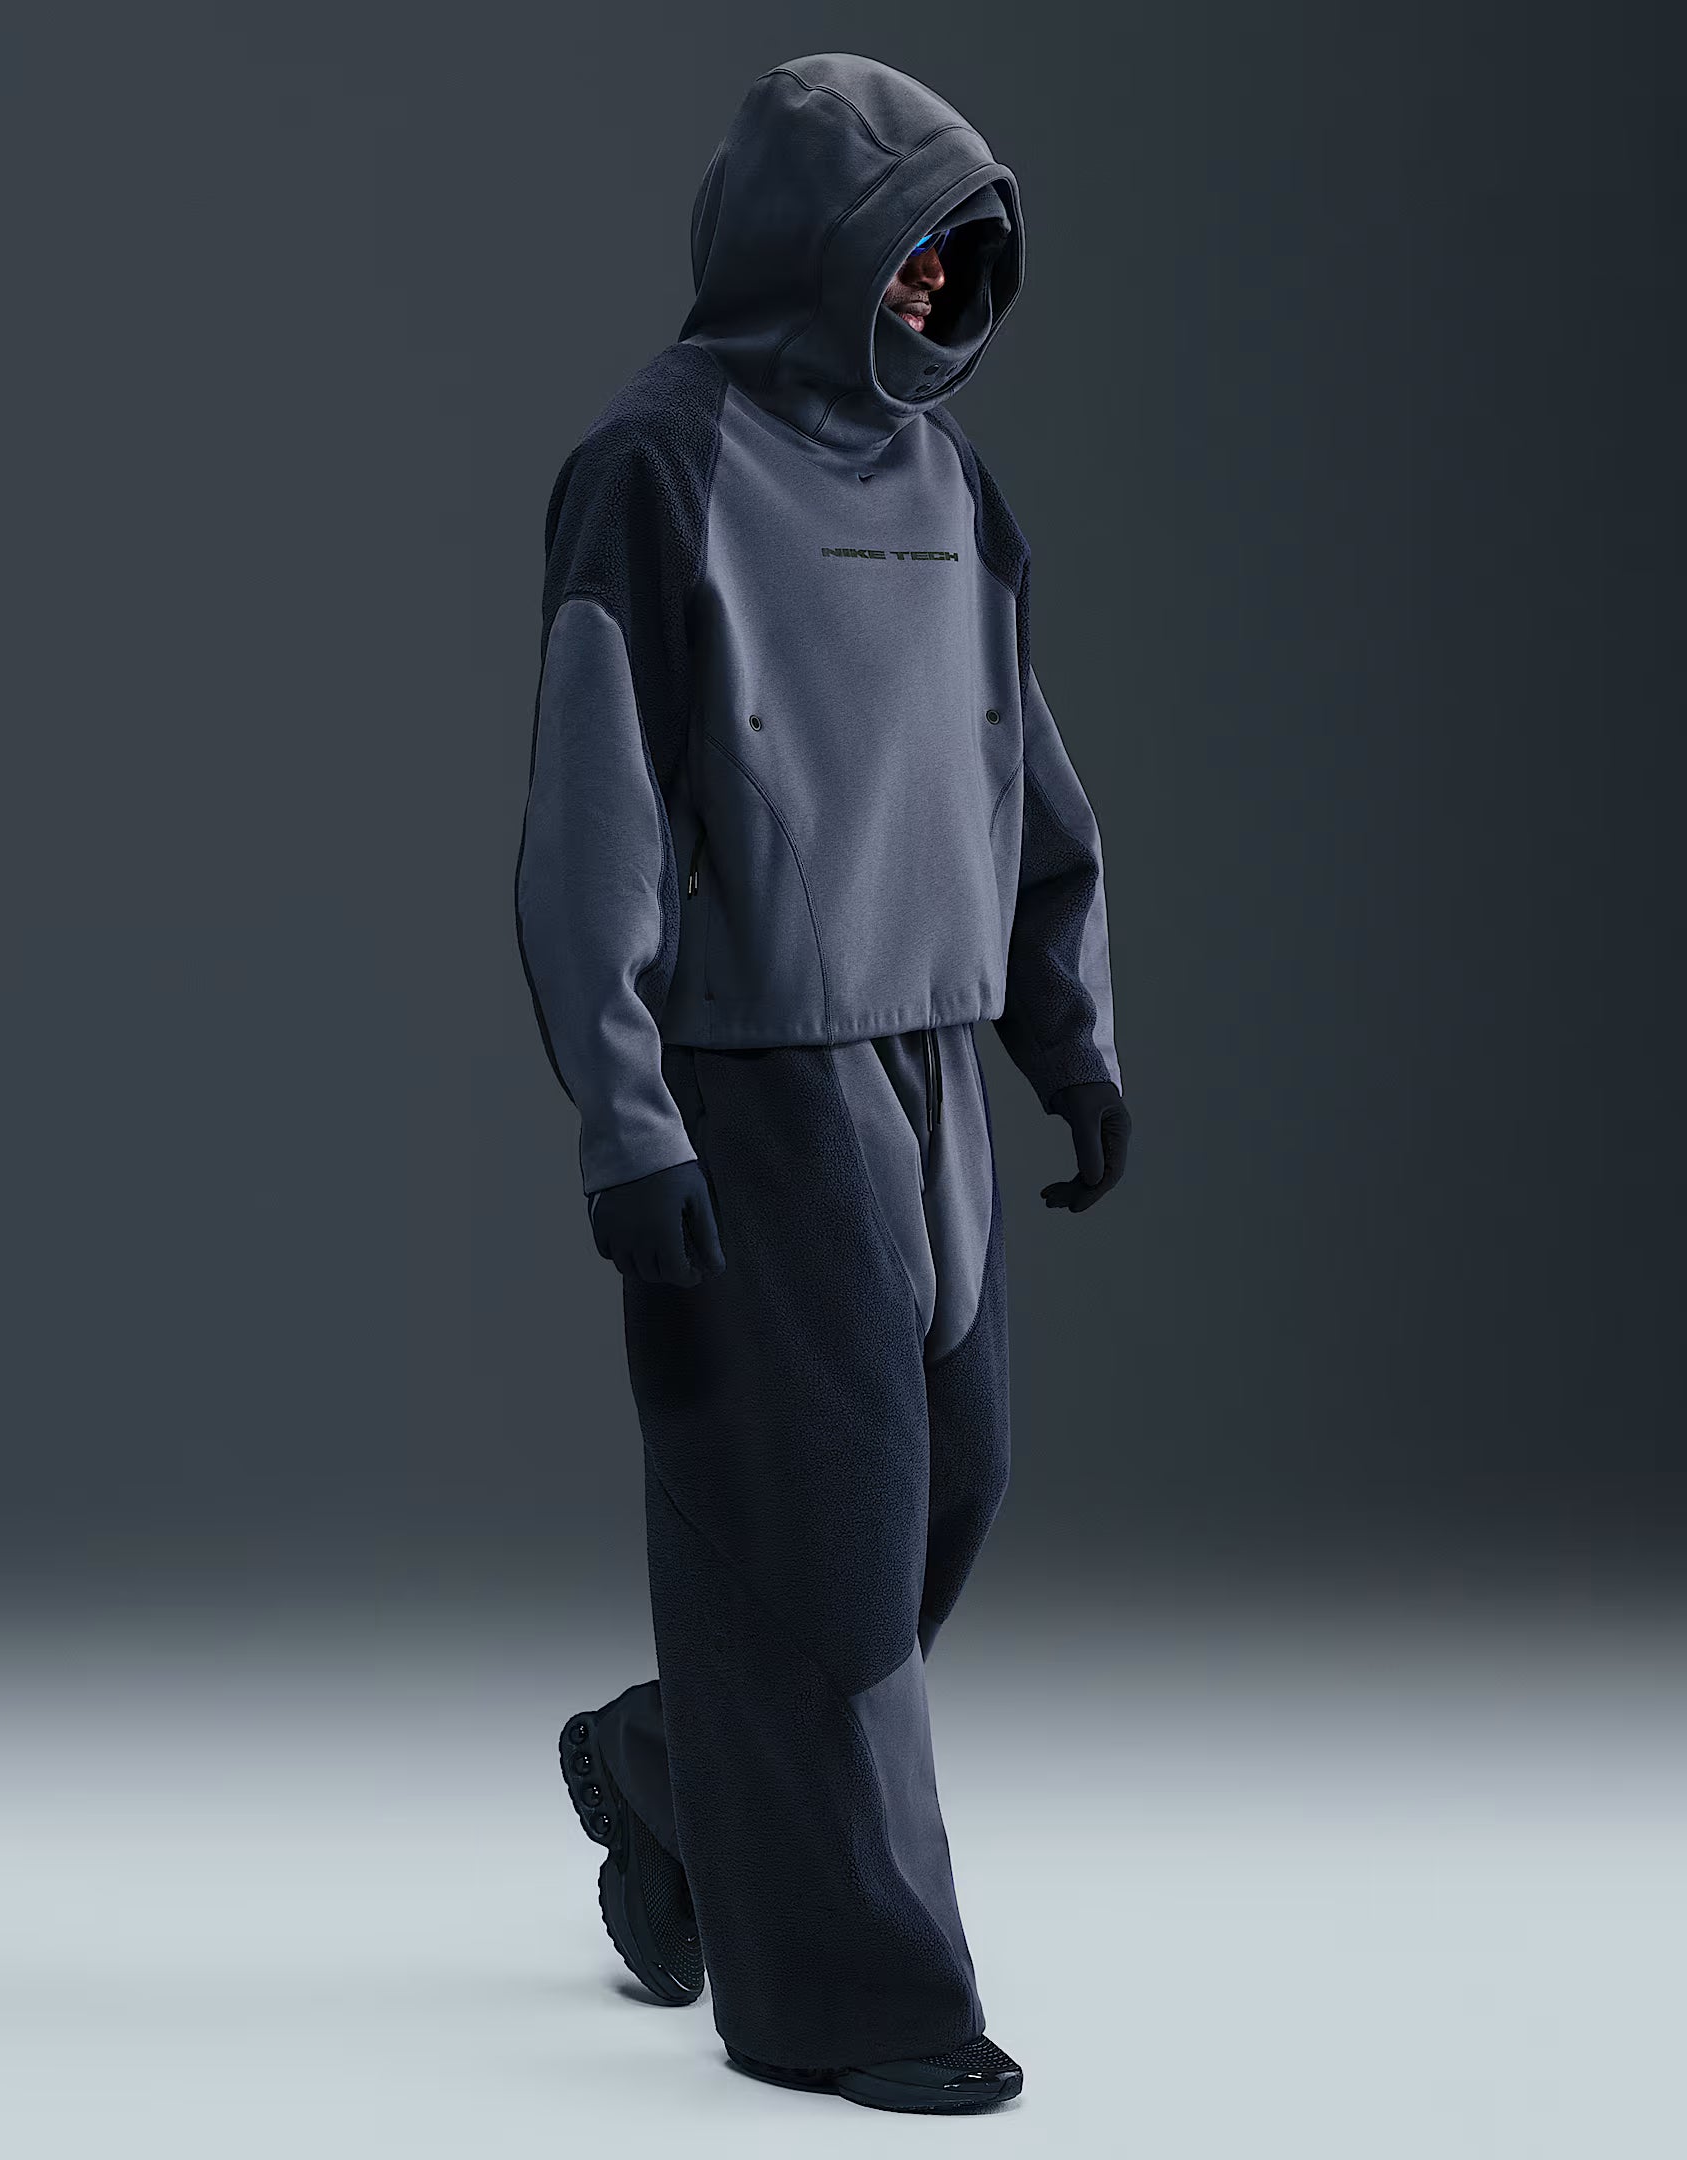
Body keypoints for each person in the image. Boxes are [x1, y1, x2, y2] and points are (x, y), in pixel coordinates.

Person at [515, 52, 1131, 2116]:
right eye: (912, 251)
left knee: (954, 1487)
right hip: (756, 1072)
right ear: (814, 246)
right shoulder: (656, 465)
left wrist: (1068, 1026)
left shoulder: (957, 491)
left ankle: (679, 1762)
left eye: (967, 259)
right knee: (832, 1539)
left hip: (934, 1051)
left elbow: (1018, 769)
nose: (940, 291)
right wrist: (627, 1116)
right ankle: (853, 1994)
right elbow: (593, 810)